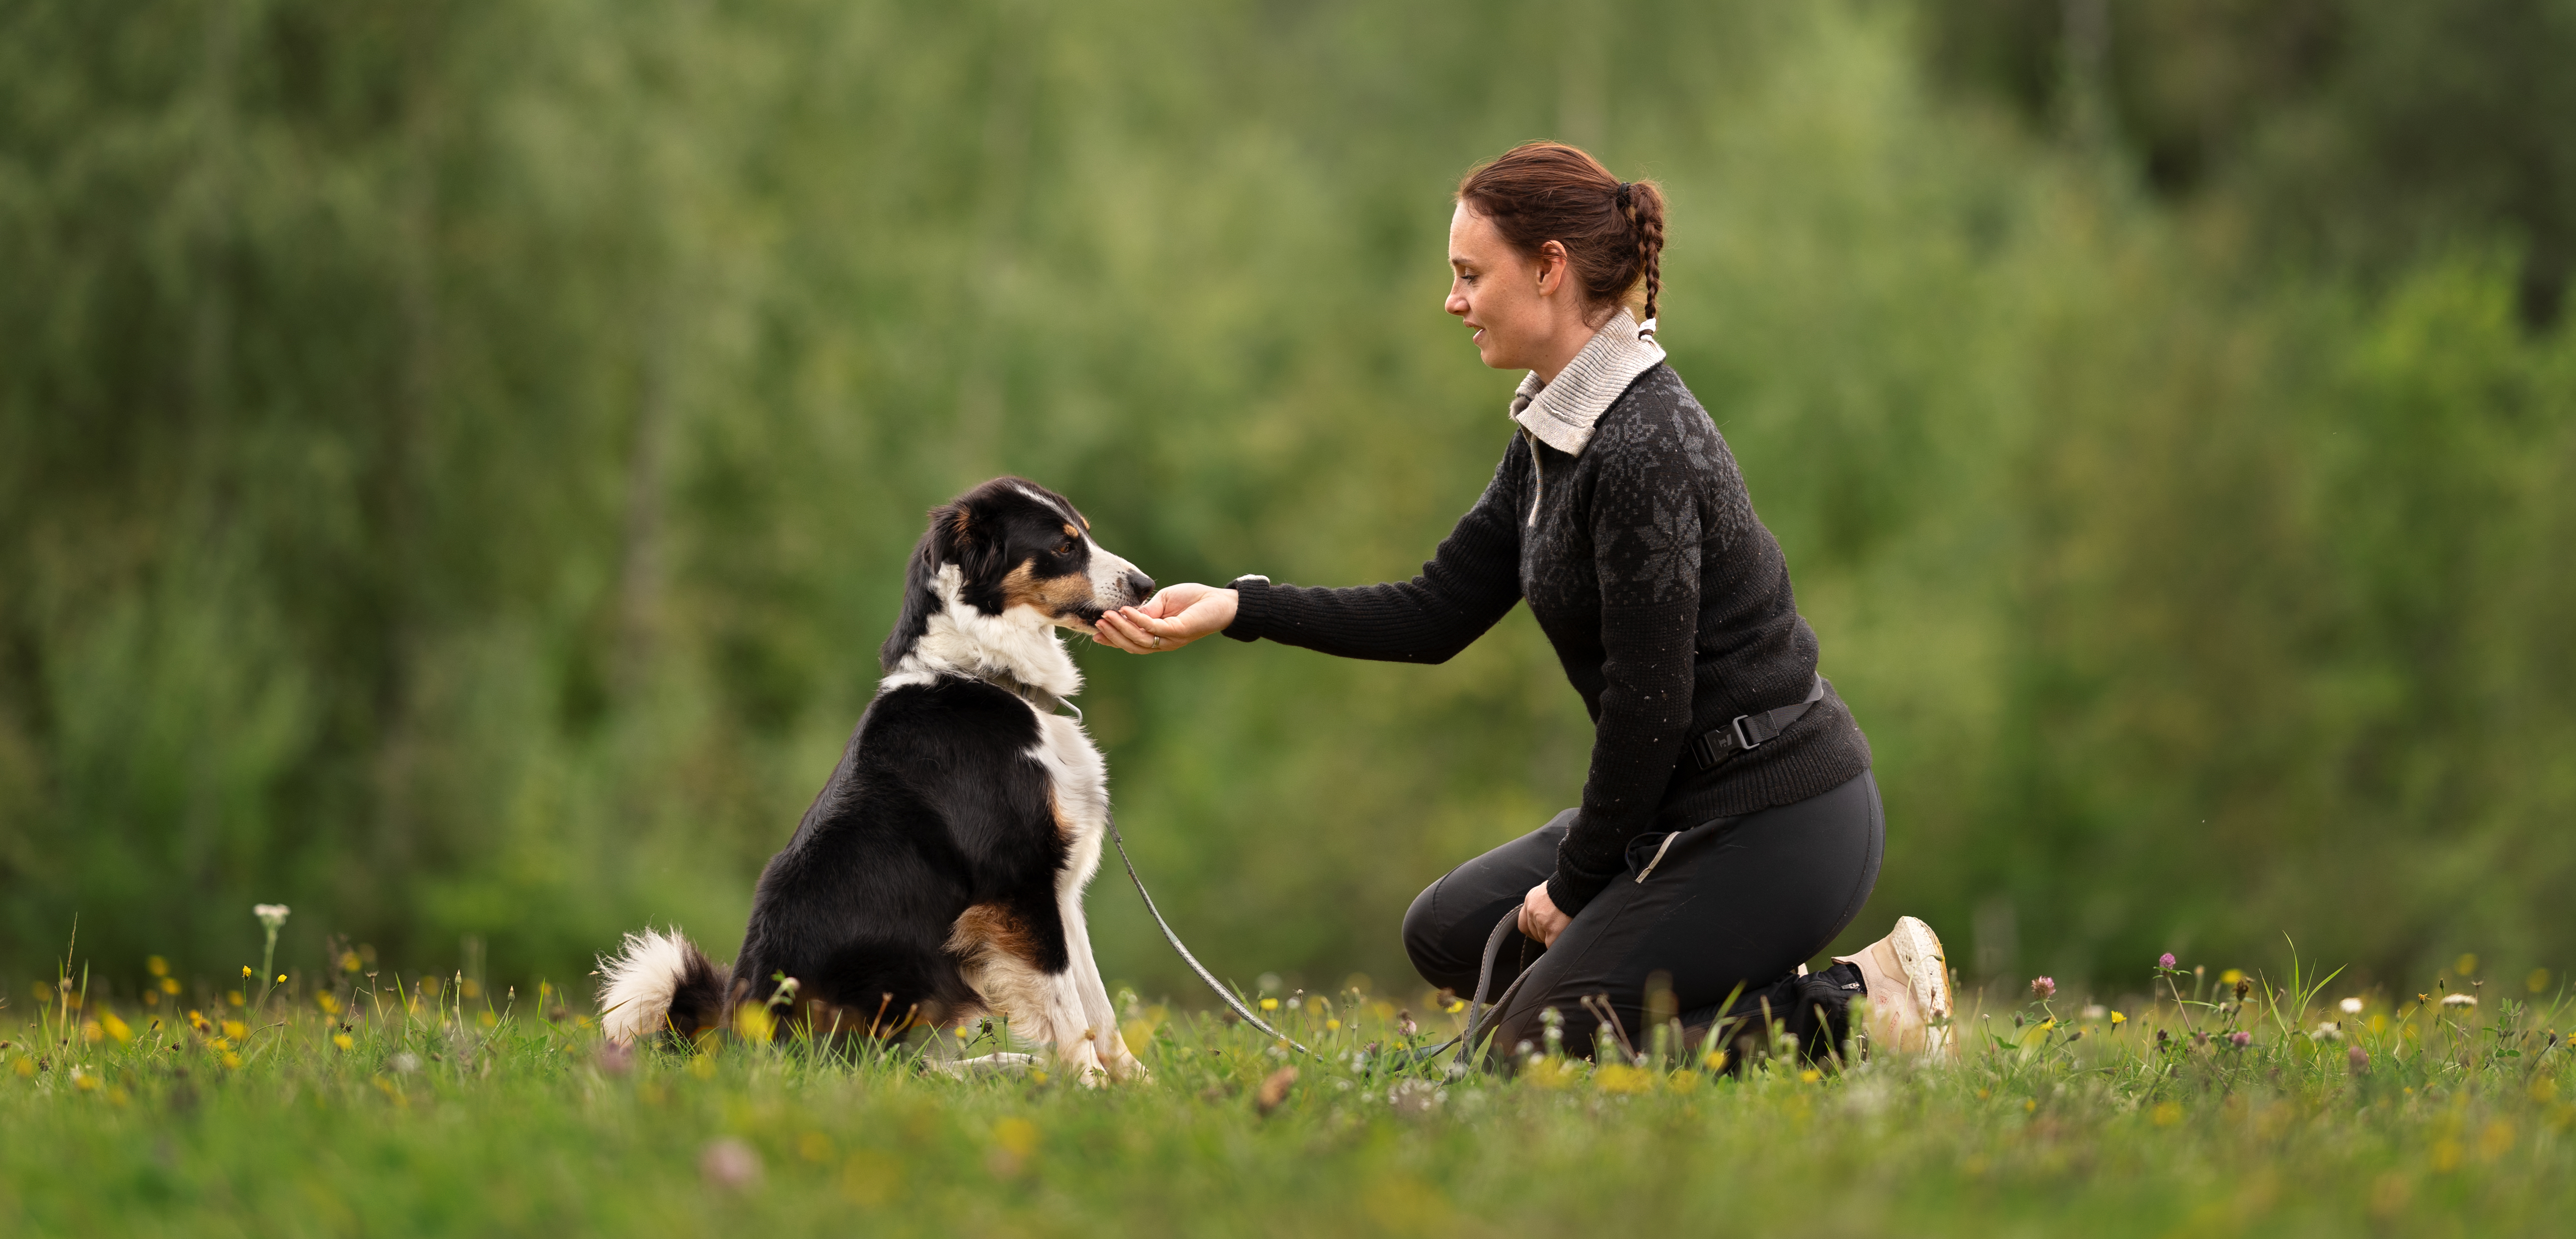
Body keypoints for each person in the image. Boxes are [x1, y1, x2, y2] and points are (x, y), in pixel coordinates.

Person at [1094, 141, 1952, 1063]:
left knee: (1529, 1054)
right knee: (1447, 931)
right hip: (1677, 801)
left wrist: (1578, 882)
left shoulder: (1640, 447)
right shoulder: (1557, 425)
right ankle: (1584, 1019)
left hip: (1779, 820)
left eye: (1470, 275)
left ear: (1549, 269)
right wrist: (1239, 606)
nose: (1452, 301)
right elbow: (1434, 614)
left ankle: (1858, 1010)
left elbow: (1647, 708)